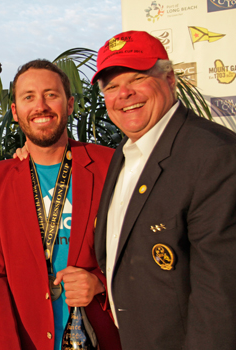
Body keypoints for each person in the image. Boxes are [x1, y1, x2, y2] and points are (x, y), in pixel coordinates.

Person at [92, 30, 236, 350]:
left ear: (170, 79)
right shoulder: (123, 154)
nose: (124, 94)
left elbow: (221, 299)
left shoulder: (214, 155)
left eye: (137, 78)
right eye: (112, 86)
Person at [0, 59, 120, 350]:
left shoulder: (109, 165)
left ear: (69, 105)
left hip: (99, 336)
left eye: (51, 94)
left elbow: (138, 249)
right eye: (28, 97)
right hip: (30, 338)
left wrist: (100, 283)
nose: (40, 105)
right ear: (15, 112)